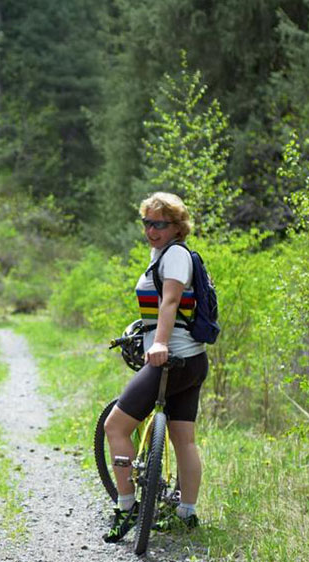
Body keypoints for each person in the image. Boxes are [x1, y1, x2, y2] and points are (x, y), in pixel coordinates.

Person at [103, 192, 209, 542]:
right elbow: (161, 307)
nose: (151, 230)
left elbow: (171, 300)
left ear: (178, 227)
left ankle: (127, 507)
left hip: (171, 360)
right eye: (147, 222)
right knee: (183, 440)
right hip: (191, 361)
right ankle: (186, 514)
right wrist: (144, 332)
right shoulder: (161, 254)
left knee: (115, 426)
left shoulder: (175, 256)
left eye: (159, 224)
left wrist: (160, 343)